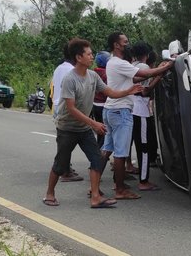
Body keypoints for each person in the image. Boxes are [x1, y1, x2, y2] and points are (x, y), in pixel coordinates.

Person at [42, 38, 144, 208]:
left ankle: (95, 197)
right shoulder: (70, 79)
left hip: (83, 129)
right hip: (67, 128)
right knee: (60, 164)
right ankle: (49, 193)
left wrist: (129, 90)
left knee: (96, 159)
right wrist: (94, 124)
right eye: (88, 54)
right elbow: (71, 108)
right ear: (78, 57)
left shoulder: (93, 76)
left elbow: (109, 92)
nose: (92, 57)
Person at [101, 32, 173, 200]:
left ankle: (96, 184)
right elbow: (145, 78)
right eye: (125, 42)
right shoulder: (122, 63)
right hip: (124, 111)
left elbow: (133, 80)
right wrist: (165, 68)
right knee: (122, 152)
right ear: (116, 45)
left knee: (107, 149)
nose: (128, 44)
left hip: (111, 109)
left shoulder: (113, 63)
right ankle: (121, 189)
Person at [130, 42, 164, 191]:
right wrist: (160, 74)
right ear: (147, 54)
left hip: (132, 108)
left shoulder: (132, 64)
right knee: (143, 147)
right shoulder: (143, 68)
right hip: (141, 109)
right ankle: (144, 181)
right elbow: (145, 90)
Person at [51, 43, 82, 182]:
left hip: (56, 105)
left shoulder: (59, 68)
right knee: (67, 141)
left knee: (64, 140)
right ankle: (64, 171)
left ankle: (65, 167)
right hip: (65, 106)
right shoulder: (71, 70)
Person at [92, 51, 110, 147]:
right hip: (104, 104)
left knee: (100, 130)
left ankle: (99, 148)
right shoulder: (106, 74)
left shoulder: (94, 72)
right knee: (105, 130)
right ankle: (100, 151)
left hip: (95, 104)